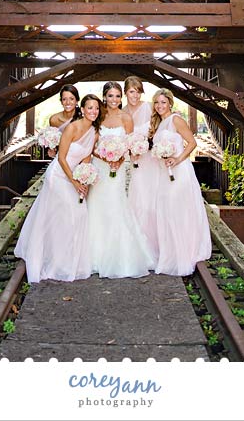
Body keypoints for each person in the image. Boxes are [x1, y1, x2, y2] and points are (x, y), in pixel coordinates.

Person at [14, 93, 101, 283]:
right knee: (65, 214)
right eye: (90, 108)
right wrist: (74, 181)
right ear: (83, 109)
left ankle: (69, 260)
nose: (93, 111)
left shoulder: (94, 132)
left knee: (79, 214)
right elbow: (61, 158)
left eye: (96, 108)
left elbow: (86, 158)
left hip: (75, 175)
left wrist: (84, 178)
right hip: (59, 176)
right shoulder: (73, 127)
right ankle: (51, 259)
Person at [86, 82, 155, 277]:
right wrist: (105, 157)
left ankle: (119, 255)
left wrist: (118, 157)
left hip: (118, 168)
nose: (114, 100)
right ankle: (95, 255)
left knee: (116, 205)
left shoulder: (127, 118)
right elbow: (92, 145)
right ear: (104, 97)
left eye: (117, 96)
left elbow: (130, 143)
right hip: (100, 167)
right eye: (110, 96)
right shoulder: (98, 116)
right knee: (97, 206)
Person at [149, 88, 211, 276]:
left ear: (170, 103)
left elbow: (192, 143)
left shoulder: (176, 119)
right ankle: (172, 252)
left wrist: (177, 159)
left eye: (163, 102)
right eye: (157, 103)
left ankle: (185, 252)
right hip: (165, 172)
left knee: (178, 210)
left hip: (180, 171)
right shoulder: (160, 123)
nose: (160, 106)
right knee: (168, 211)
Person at [125, 77, 160, 259]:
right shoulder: (123, 113)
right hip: (135, 160)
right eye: (132, 91)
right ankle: (139, 242)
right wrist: (131, 150)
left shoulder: (148, 107)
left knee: (152, 197)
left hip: (151, 159)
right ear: (126, 93)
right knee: (138, 196)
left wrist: (149, 144)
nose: (136, 95)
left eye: (138, 91)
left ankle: (156, 242)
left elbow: (158, 127)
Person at [46, 84, 81, 157]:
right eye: (64, 99)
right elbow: (53, 143)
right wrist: (52, 148)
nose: (68, 102)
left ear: (77, 101)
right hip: (61, 158)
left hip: (79, 157)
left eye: (71, 99)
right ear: (61, 101)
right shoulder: (54, 119)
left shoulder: (82, 119)